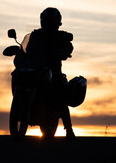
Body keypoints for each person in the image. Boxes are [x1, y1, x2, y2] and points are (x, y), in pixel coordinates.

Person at [25, 7, 76, 139]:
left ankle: (69, 129)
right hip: (35, 69)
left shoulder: (60, 36)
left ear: (56, 23)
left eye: (50, 22)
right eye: (46, 22)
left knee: (60, 94)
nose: (48, 25)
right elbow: (28, 48)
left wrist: (63, 52)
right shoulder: (36, 35)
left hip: (53, 72)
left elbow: (68, 46)